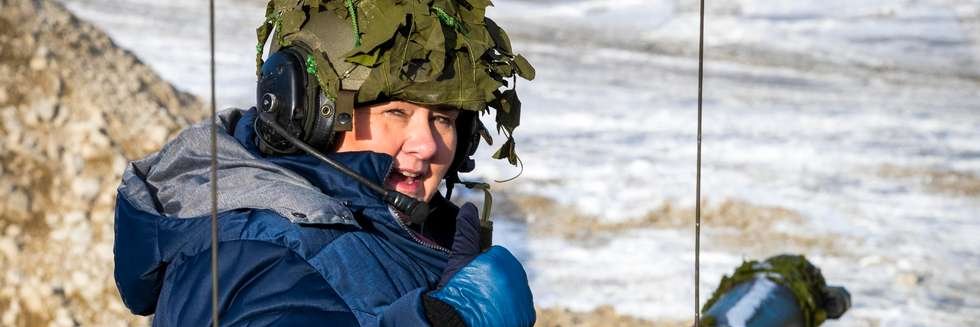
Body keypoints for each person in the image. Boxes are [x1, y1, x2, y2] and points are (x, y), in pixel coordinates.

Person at [112, 1, 536, 326]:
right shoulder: (259, 256)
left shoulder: (378, 222)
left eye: (443, 119)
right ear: (307, 114)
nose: (427, 145)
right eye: (396, 113)